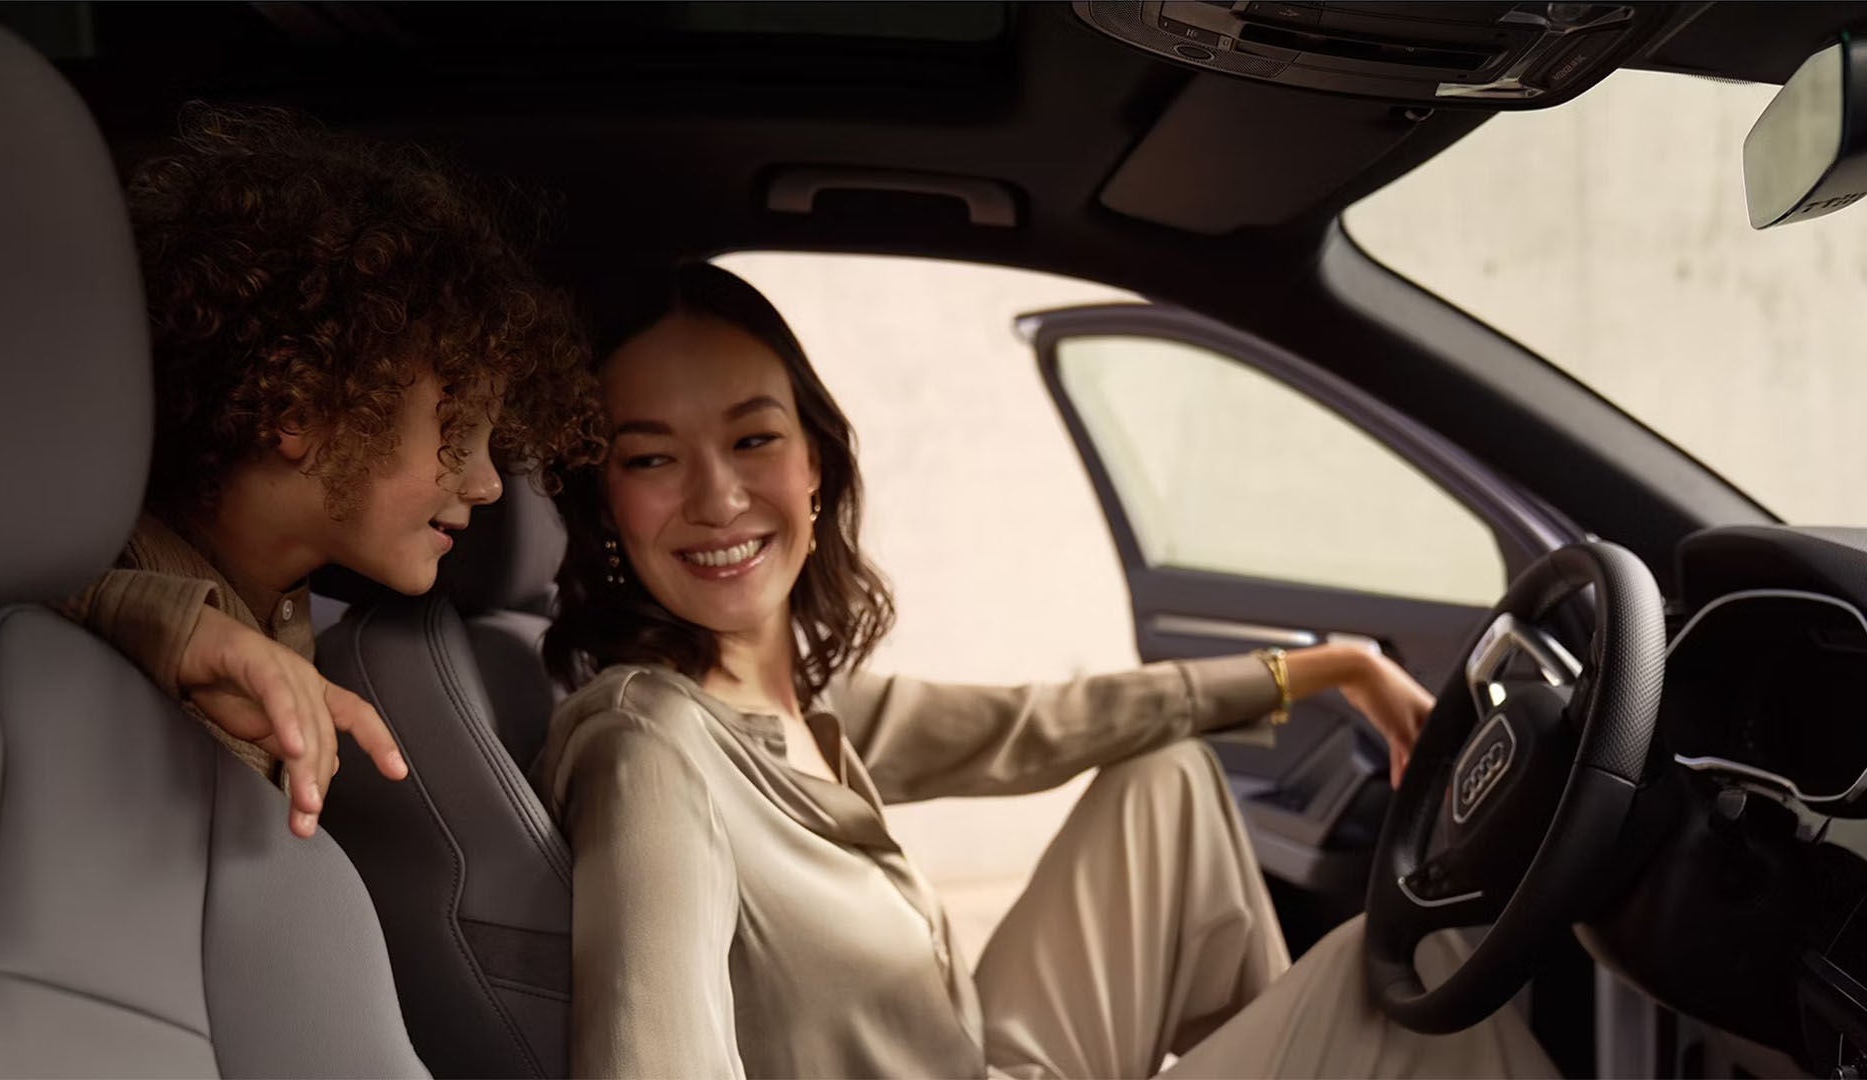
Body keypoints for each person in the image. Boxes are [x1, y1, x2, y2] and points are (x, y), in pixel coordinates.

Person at [534, 262, 1555, 1078]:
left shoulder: (803, 704)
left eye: (752, 437)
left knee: (1168, 776)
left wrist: (1322, 670)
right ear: (606, 504)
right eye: (652, 458)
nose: (716, 497)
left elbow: (1045, 723)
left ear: (814, 467)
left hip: (970, 1054)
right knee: (1415, 978)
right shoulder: (652, 749)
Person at [63, 103, 603, 836]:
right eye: (456, 431)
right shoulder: (75, 588)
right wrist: (182, 630)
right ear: (295, 408)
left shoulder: (297, 621)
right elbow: (47, 596)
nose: (487, 484)